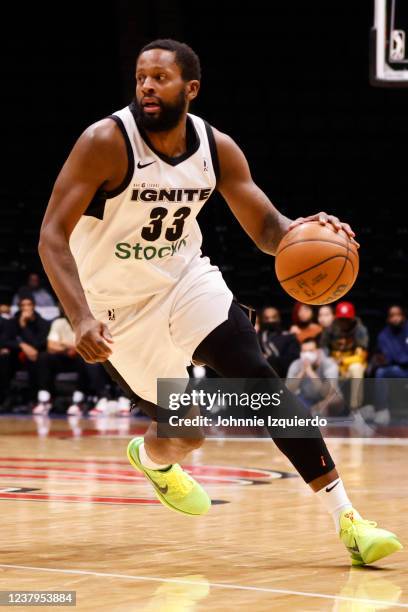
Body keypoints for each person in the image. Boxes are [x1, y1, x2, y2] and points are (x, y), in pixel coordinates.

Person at [38, 38, 401, 565]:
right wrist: (80, 317)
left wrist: (311, 231)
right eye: (141, 77)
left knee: (258, 378)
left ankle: (348, 518)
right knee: (188, 431)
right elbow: (52, 234)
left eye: (159, 77)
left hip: (186, 280)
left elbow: (268, 230)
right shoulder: (105, 141)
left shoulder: (216, 148)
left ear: (191, 88)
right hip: (117, 309)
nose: (146, 86)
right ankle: (155, 459)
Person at [33, 311, 118, 416]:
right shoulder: (59, 322)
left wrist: (64, 344)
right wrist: (71, 347)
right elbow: (51, 346)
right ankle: (45, 398)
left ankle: (85, 399)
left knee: (89, 358)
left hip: (82, 357)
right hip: (64, 357)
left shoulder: (88, 323)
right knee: (43, 357)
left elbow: (93, 344)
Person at [320, 301, 369, 412]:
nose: (344, 322)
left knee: (356, 368)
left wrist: (343, 361)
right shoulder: (330, 329)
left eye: (346, 319)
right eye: (341, 319)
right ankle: (325, 408)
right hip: (334, 364)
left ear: (352, 319)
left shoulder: (360, 330)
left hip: (350, 364)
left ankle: (355, 408)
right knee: (327, 367)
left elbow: (361, 356)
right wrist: (332, 361)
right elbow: (323, 350)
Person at [1, 295, 50, 402]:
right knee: (4, 357)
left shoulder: (43, 323)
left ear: (34, 306)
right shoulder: (12, 322)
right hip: (16, 356)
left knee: (38, 358)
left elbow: (38, 344)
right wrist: (22, 345)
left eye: (29, 304)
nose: (26, 308)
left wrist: (24, 327)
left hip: (36, 355)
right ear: (19, 307)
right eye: (23, 305)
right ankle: (5, 398)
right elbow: (4, 341)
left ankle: (34, 399)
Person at [286, 338, 343, 416]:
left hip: (329, 401)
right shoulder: (296, 364)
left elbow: (328, 392)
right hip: (307, 398)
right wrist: (302, 372)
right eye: (304, 351)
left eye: (310, 351)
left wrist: (310, 373)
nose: (306, 354)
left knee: (329, 404)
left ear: (318, 352)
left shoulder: (329, 364)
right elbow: (288, 390)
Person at [372, 305, 408, 425]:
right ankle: (382, 411)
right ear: (388, 319)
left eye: (398, 314)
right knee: (381, 372)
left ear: (403, 316)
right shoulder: (384, 335)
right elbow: (390, 358)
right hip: (399, 370)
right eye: (392, 315)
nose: (395, 318)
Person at [257, 306, 299, 377]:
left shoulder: (288, 337)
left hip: (283, 376)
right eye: (267, 318)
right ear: (262, 319)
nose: (270, 321)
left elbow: (292, 359)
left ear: (279, 318)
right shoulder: (258, 337)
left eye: (274, 317)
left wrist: (269, 359)